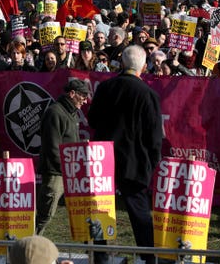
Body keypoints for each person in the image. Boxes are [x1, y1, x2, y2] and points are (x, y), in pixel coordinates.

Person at [88, 45, 162, 264]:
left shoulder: (105, 87)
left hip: (104, 159)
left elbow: (92, 120)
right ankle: (149, 256)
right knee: (139, 212)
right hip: (134, 161)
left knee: (99, 210)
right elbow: (155, 135)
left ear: (122, 63)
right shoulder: (148, 94)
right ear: (143, 66)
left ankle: (100, 256)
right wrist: (152, 161)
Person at [36, 80, 90, 235]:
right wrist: (67, 170)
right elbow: (52, 147)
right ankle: (28, 246)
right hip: (56, 173)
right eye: (83, 96)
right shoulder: (55, 112)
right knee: (45, 214)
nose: (85, 101)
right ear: (72, 94)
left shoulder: (69, 113)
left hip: (67, 171)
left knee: (81, 211)